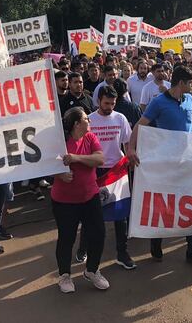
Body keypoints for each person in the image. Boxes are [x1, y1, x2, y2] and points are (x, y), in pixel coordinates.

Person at [127, 66, 192, 265]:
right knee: (165, 201)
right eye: (190, 83)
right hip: (167, 162)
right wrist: (131, 147)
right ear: (181, 82)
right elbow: (141, 123)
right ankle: (156, 238)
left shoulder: (189, 100)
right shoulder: (158, 102)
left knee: (190, 200)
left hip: (188, 160)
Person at [51, 107, 108, 294]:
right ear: (76, 124)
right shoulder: (60, 142)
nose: (89, 121)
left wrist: (75, 158)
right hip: (64, 201)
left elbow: (100, 159)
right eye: (86, 119)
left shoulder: (90, 138)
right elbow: (44, 165)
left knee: (98, 233)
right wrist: (58, 174)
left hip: (90, 197)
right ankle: (64, 275)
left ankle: (92, 270)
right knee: (67, 238)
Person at [79, 86, 135, 270]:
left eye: (112, 103)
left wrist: (129, 159)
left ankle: (122, 252)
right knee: (91, 213)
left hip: (117, 171)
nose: (109, 106)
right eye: (106, 103)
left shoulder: (120, 118)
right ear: (98, 101)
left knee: (121, 215)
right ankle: (83, 247)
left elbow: (127, 142)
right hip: (95, 171)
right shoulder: (90, 120)